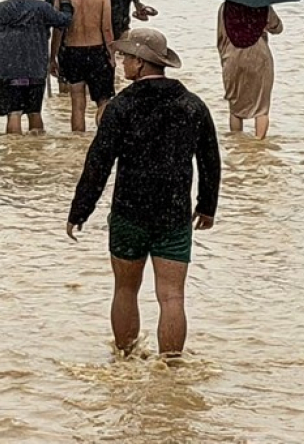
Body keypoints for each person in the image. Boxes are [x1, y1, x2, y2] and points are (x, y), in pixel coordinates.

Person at [66, 28, 220, 360]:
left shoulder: (121, 107)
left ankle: (124, 359)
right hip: (174, 213)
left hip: (129, 212)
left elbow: (99, 163)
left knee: (125, 289)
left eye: (125, 58)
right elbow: (210, 160)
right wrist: (206, 206)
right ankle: (172, 371)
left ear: (139, 63)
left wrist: (80, 211)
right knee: (172, 297)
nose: (122, 63)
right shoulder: (192, 105)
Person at [0, 0, 72, 134]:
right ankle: (36, 151)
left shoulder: (0, 9)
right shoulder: (42, 8)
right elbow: (64, 21)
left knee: (14, 113)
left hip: (9, 68)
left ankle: (15, 151)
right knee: (34, 112)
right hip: (36, 68)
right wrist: (66, 2)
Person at [50, 0, 115, 132]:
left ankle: (77, 144)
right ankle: (104, 138)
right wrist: (111, 55)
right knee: (103, 101)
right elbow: (107, 29)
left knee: (77, 104)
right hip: (97, 51)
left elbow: (58, 31)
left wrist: (52, 57)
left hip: (72, 52)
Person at [217, 1, 284, 139]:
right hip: (259, 56)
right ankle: (259, 147)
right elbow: (277, 28)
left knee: (235, 108)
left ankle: (236, 145)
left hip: (232, 57)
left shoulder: (224, 8)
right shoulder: (263, 5)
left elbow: (220, 37)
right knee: (262, 108)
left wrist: (224, 59)